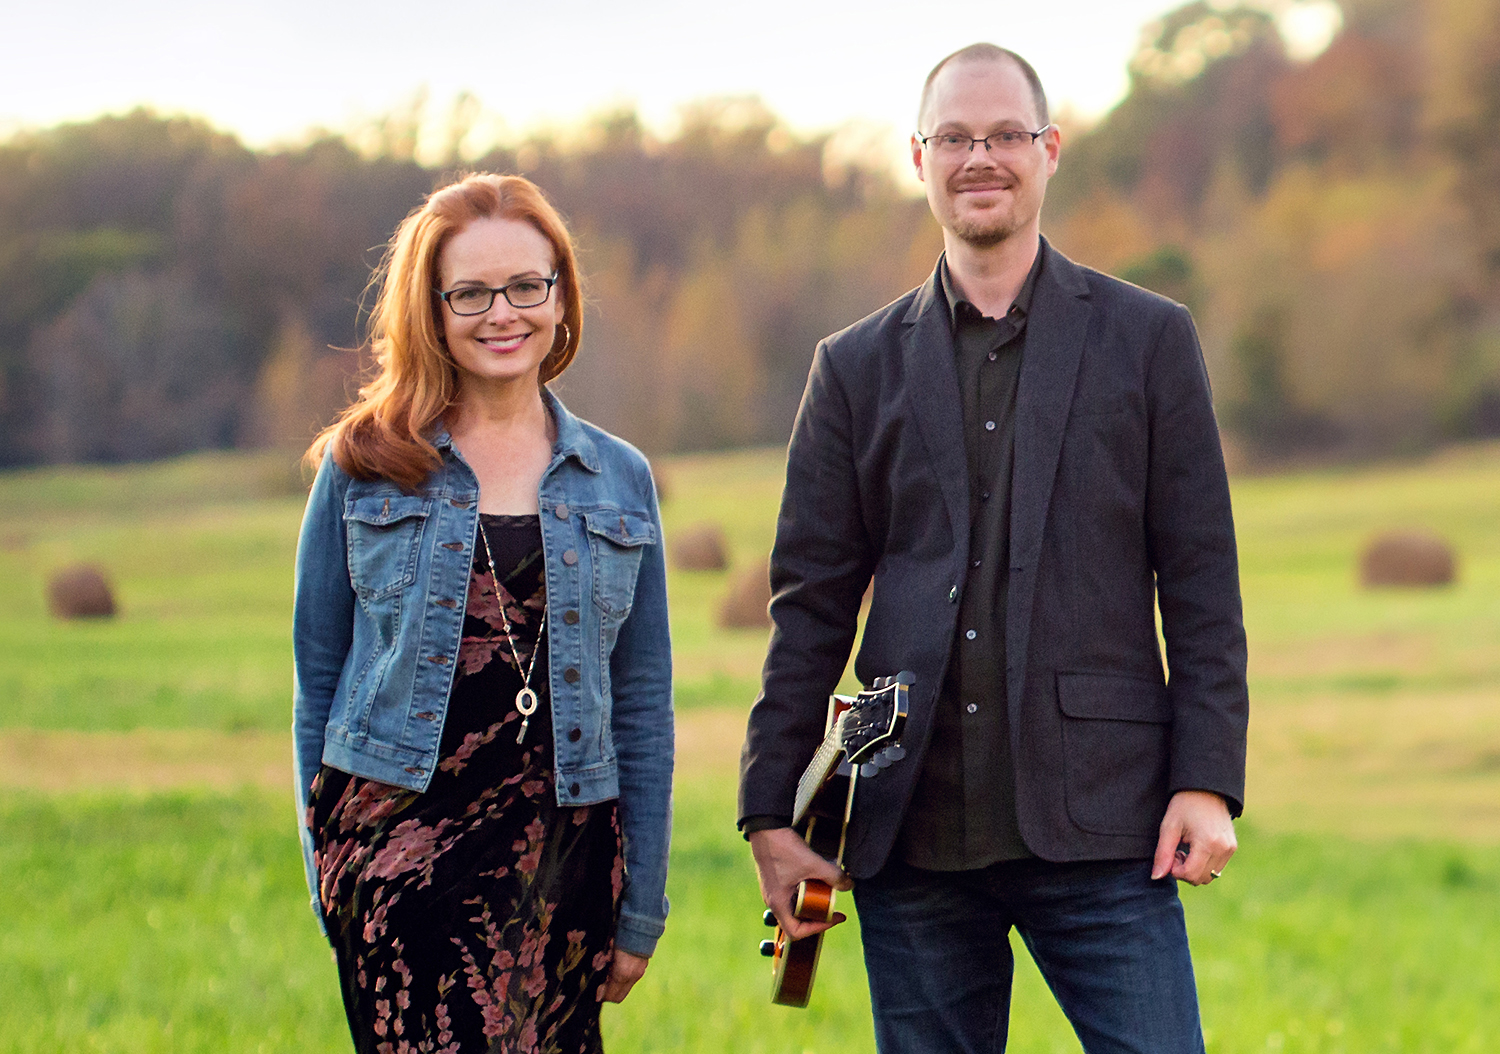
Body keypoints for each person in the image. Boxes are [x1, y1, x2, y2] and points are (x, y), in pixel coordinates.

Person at [739, 43, 1248, 1054]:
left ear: (1049, 150)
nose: (983, 158)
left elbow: (1199, 578)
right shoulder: (850, 369)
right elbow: (810, 602)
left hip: (1105, 825)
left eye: (1006, 135)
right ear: (918, 158)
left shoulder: (1150, 340)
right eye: (957, 138)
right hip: (912, 833)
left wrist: (1208, 777)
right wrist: (770, 805)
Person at [292, 172, 672, 1053]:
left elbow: (643, 700)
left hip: (565, 863)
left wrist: (641, 899)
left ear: (560, 293)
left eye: (526, 286)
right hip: (400, 861)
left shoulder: (620, 478)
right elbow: (320, 679)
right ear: (432, 306)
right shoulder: (362, 467)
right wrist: (328, 874)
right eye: (470, 292)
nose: (502, 313)